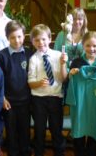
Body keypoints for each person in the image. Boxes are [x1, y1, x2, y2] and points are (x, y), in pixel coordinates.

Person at [66, 31, 96, 156]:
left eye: (95, 46)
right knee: (78, 135)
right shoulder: (76, 63)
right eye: (88, 45)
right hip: (80, 106)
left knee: (94, 133)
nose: (91, 49)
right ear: (83, 46)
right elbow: (70, 83)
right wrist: (71, 74)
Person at [0, 20, 34, 156]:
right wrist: (3, 98)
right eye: (12, 37)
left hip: (26, 101)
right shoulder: (1, 56)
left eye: (19, 36)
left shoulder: (30, 54)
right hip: (9, 102)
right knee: (11, 131)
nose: (16, 40)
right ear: (7, 38)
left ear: (24, 36)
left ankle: (25, 151)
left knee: (25, 130)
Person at [27, 24, 68, 156]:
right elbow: (30, 83)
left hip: (55, 98)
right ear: (32, 42)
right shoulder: (33, 59)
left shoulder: (58, 55)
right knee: (39, 129)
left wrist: (63, 64)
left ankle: (59, 152)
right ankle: (38, 152)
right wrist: (39, 83)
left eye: (44, 39)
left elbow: (63, 78)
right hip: (38, 99)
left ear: (50, 39)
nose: (41, 43)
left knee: (56, 128)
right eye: (37, 40)